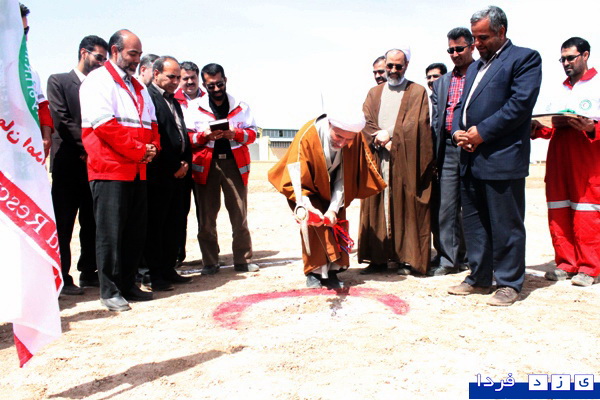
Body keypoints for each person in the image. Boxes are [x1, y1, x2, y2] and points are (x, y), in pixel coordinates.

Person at [448, 6, 542, 306]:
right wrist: (457, 132)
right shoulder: (475, 67)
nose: (476, 44)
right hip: (470, 157)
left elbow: (519, 105)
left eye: (483, 37)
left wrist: (482, 132)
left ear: (501, 31)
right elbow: (460, 106)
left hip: (502, 157)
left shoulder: (524, 59)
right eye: (474, 37)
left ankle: (508, 283)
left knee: (506, 225)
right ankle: (478, 277)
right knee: (475, 224)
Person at [80, 29, 160, 311]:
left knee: (134, 233)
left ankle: (128, 284)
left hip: (138, 170)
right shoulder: (98, 81)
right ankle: (110, 290)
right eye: (132, 54)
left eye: (139, 54)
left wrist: (153, 148)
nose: (137, 60)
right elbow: (105, 127)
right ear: (115, 51)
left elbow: (152, 124)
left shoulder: (138, 87)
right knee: (110, 234)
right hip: (110, 169)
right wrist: (140, 150)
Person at [268, 112, 386, 288]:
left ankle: (333, 271)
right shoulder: (307, 137)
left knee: (335, 222)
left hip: (333, 187)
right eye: (338, 136)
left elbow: (344, 178)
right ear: (330, 125)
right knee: (315, 225)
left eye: (348, 139)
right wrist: (308, 208)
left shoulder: (354, 139)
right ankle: (314, 272)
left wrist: (333, 209)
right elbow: (297, 180)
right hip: (307, 188)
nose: (342, 143)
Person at [358, 47, 434, 276]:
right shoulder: (374, 93)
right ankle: (377, 258)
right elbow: (366, 121)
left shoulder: (417, 91)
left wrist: (390, 135)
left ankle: (405, 258)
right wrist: (380, 140)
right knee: (376, 206)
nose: (393, 70)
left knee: (405, 206)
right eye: (389, 66)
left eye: (398, 66)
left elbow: (416, 123)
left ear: (406, 66)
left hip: (405, 160)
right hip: (378, 158)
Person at [532, 37, 600, 287]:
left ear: (585, 55)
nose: (566, 63)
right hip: (559, 157)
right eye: (562, 59)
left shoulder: (597, 85)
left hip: (588, 159)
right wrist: (537, 128)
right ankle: (566, 263)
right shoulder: (558, 90)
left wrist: (592, 127)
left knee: (586, 212)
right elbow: (551, 124)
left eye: (570, 57)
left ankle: (590, 267)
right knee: (558, 209)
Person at [47, 35, 108, 295]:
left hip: (94, 167)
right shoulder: (59, 81)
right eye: (99, 58)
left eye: (105, 60)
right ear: (84, 53)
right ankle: (62, 277)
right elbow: (61, 120)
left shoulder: (101, 87)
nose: (102, 64)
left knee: (92, 222)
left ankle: (89, 272)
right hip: (68, 166)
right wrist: (89, 148)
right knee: (63, 224)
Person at [185, 63, 258, 274]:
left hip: (234, 164)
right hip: (206, 165)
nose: (216, 89)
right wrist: (204, 136)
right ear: (204, 84)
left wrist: (236, 134)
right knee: (207, 217)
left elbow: (253, 134)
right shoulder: (194, 107)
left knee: (239, 213)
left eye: (219, 84)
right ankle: (210, 262)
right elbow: (188, 137)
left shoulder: (241, 106)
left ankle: (243, 259)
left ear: (225, 80)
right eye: (211, 86)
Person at [429, 27, 474, 276]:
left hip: (476, 146)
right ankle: (449, 260)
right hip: (448, 148)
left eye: (459, 49)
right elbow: (437, 119)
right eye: (451, 50)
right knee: (446, 207)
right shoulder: (442, 83)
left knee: (475, 205)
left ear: (472, 46)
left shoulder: (482, 73)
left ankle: (475, 258)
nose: (455, 54)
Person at [145, 56, 193, 291]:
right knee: (157, 225)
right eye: (171, 76)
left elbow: (180, 133)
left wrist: (185, 164)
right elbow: (159, 136)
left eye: (178, 77)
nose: (175, 81)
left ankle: (168, 268)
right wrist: (174, 166)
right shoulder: (149, 98)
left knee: (174, 223)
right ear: (156, 74)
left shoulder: (173, 100)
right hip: (160, 173)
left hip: (179, 173)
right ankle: (154, 275)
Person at [175, 61, 205, 265]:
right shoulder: (172, 99)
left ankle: (209, 255)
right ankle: (178, 255)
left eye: (193, 77)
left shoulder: (208, 99)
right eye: (184, 78)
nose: (189, 82)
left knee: (206, 212)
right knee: (179, 211)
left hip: (204, 163)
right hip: (182, 165)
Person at [20, 3, 52, 160]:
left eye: (26, 31)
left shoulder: (30, 73)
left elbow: (42, 106)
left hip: (24, 152)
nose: (25, 37)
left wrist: (46, 136)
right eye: (20, 31)